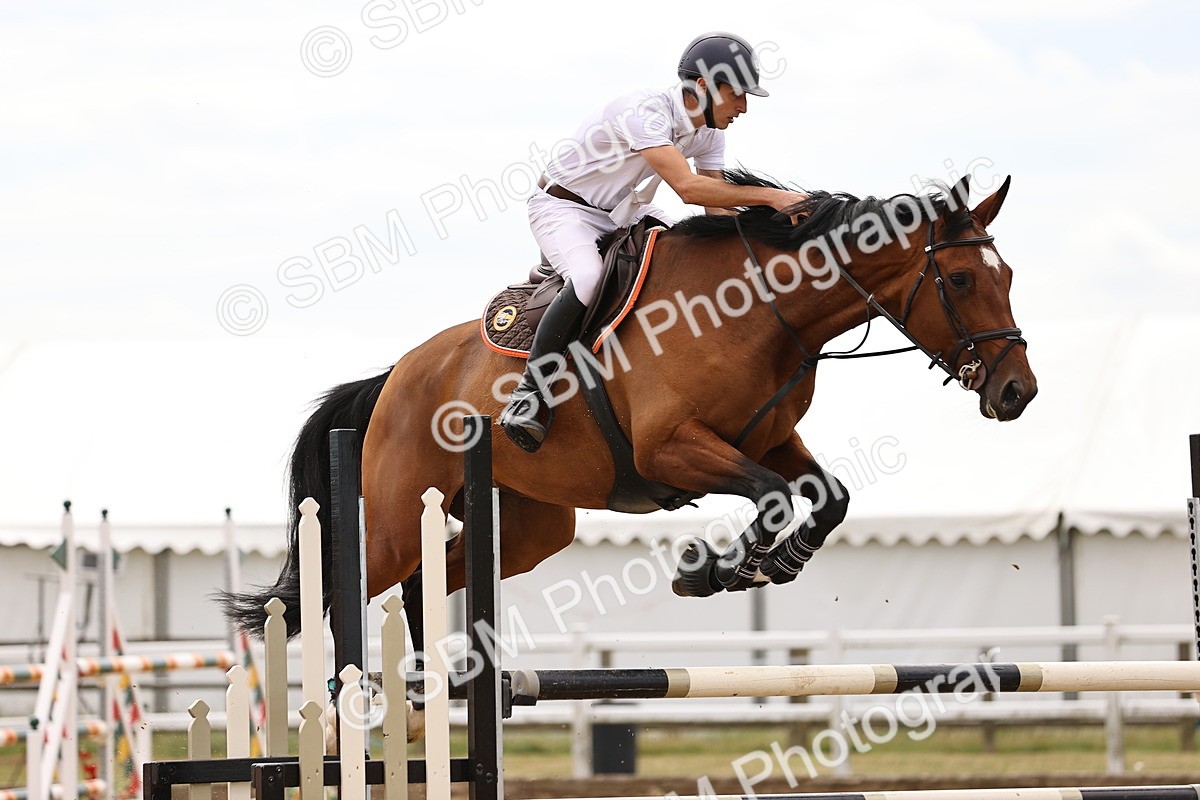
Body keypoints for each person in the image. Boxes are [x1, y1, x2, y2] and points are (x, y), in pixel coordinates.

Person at [500, 32, 808, 453]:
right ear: (702, 86)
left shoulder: (709, 132)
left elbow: (715, 212)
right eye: (736, 94)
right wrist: (773, 196)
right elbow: (687, 187)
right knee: (588, 279)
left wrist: (771, 236)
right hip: (563, 208)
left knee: (685, 247)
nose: (743, 107)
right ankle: (528, 394)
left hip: (621, 211)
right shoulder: (644, 110)